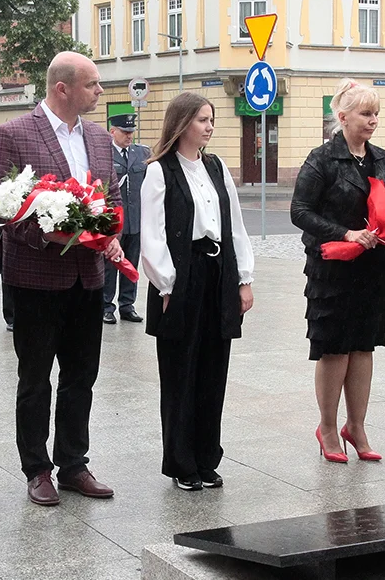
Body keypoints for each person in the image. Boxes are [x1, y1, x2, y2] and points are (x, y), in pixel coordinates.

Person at [0, 51, 124, 506]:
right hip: (35, 280)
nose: (100, 92)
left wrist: (109, 235)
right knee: (34, 380)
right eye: (93, 84)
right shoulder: (13, 134)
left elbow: (111, 198)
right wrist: (49, 230)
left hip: (88, 279)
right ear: (61, 87)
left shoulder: (102, 140)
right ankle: (36, 469)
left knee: (81, 377)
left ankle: (73, 464)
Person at [141, 92, 255, 490]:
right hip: (181, 275)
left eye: (212, 120)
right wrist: (166, 284)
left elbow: (235, 224)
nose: (209, 127)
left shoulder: (217, 166)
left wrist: (243, 278)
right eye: (203, 120)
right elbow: (152, 235)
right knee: (179, 373)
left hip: (217, 272)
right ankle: (181, 462)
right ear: (182, 122)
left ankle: (208, 458)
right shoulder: (160, 171)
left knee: (213, 370)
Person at [290, 79, 385, 463]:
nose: (373, 121)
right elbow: (300, 211)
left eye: (376, 114)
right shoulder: (321, 158)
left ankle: (358, 426)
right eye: (366, 114)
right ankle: (328, 428)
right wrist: (346, 232)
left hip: (372, 265)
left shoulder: (380, 157)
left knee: (364, 345)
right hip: (332, 268)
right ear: (343, 116)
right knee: (335, 348)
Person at [104, 113, 150, 325]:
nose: (129, 136)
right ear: (113, 131)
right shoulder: (104, 153)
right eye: (125, 132)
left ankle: (127, 305)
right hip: (114, 221)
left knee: (131, 262)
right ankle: (106, 306)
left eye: (131, 132)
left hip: (136, 219)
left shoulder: (142, 153)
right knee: (111, 264)